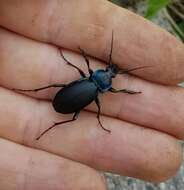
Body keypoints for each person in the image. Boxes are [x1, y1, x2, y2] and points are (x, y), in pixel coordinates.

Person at [0, 1, 184, 189]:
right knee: (71, 109)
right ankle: (33, 97)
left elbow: (87, 69)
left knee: (64, 96)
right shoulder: (99, 87)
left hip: (67, 98)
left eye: (111, 72)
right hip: (69, 99)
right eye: (111, 72)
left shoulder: (92, 78)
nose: (111, 72)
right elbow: (105, 91)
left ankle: (43, 111)